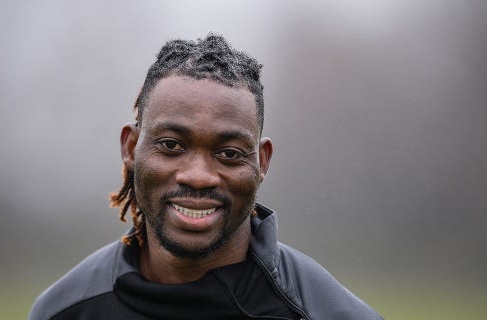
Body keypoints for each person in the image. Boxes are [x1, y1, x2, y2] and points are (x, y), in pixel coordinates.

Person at [29, 33, 382, 320]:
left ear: (262, 162)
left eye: (229, 153)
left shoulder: (328, 313)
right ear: (131, 147)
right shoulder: (65, 311)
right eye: (171, 145)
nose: (198, 176)